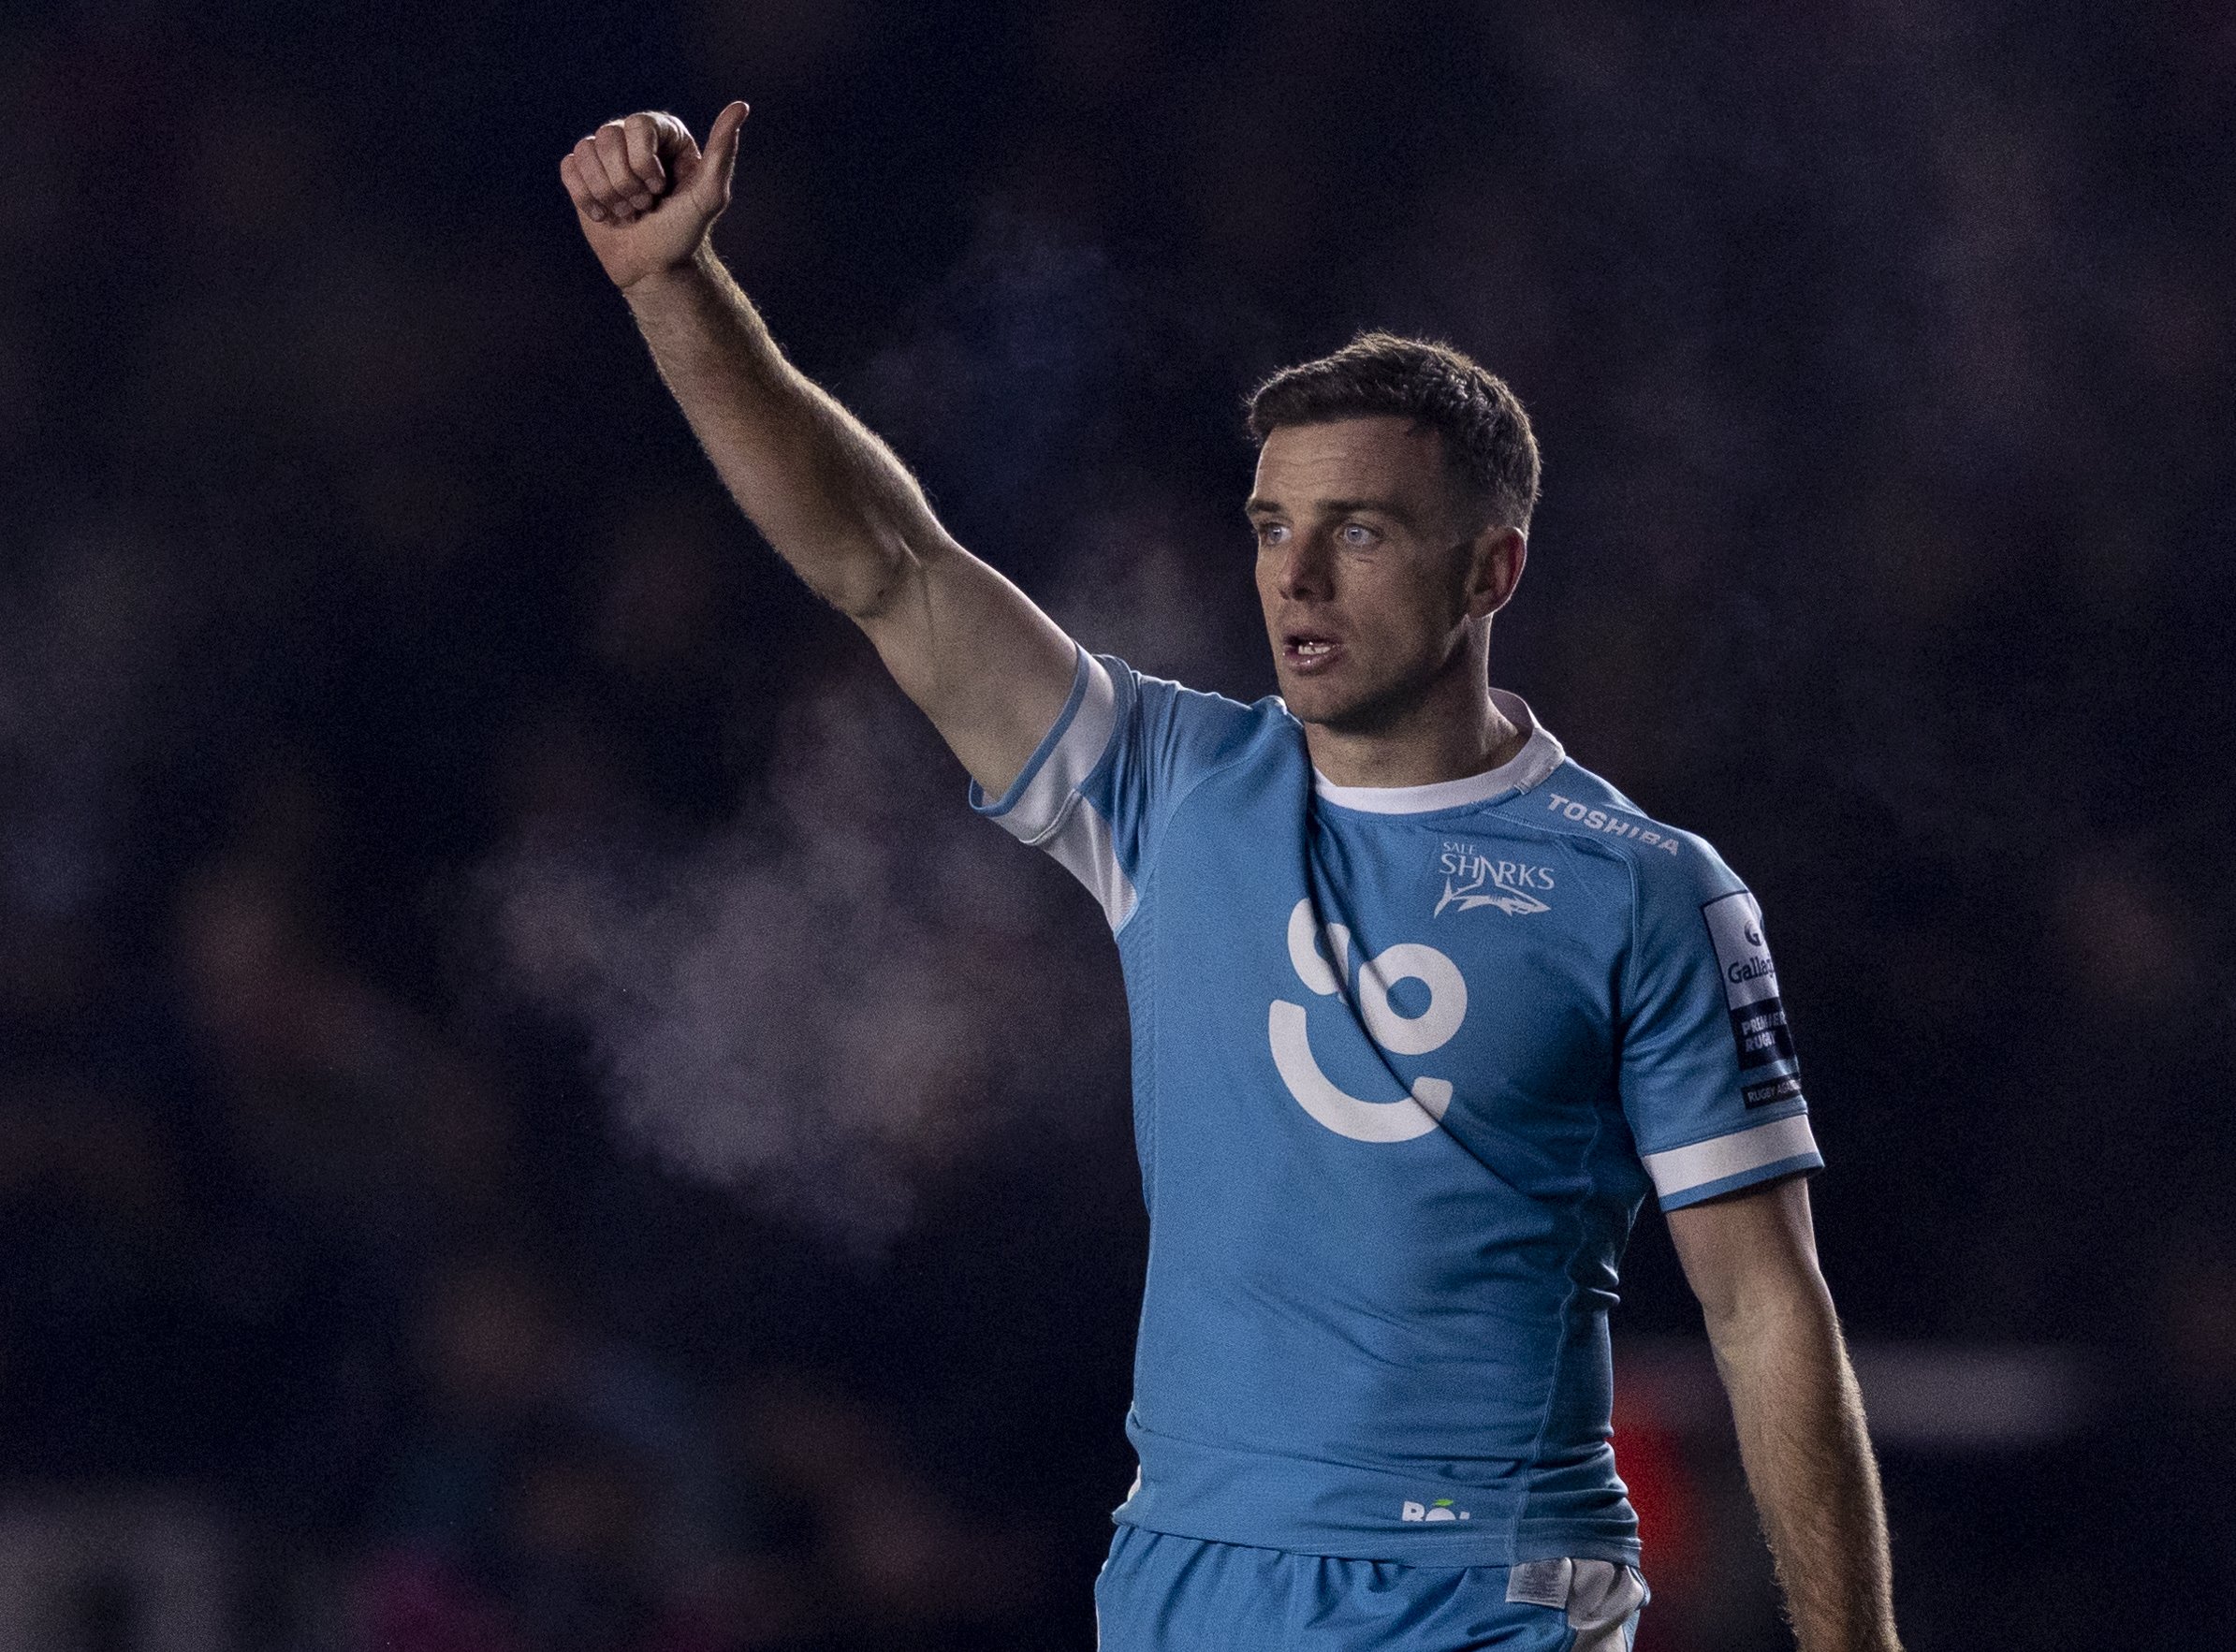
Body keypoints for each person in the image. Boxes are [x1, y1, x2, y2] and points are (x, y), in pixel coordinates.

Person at [558, 104, 1902, 1652]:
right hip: (1190, 1575)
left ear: (1490, 569)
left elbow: (1763, 1308)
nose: (1295, 577)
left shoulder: (1644, 891)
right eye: (1272, 528)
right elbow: (886, 560)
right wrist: (674, 287)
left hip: (1478, 1586)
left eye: (1358, 532)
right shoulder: (1172, 786)